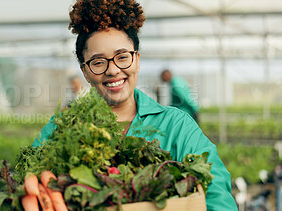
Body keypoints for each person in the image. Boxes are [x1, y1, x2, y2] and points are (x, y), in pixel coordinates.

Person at [33, 0, 237, 210]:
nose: (112, 70)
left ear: (137, 60)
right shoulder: (61, 128)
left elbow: (217, 197)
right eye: (98, 62)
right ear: (84, 71)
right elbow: (30, 183)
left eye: (122, 57)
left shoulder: (177, 126)